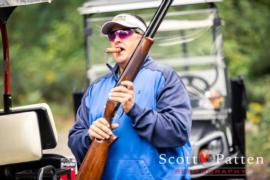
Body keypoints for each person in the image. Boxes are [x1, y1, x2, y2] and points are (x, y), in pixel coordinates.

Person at [68, 13, 192, 179]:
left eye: (124, 33)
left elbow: (178, 132)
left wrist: (135, 110)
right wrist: (89, 135)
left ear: (142, 38)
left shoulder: (164, 76)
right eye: (112, 35)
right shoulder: (95, 88)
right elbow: (75, 139)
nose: (117, 39)